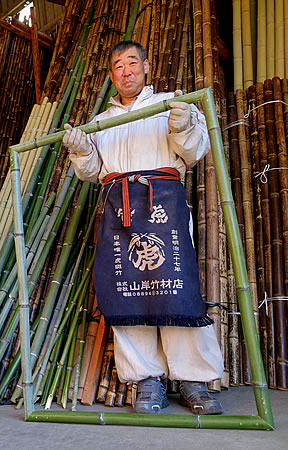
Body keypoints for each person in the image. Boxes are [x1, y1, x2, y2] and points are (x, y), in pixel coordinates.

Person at [63, 41, 224, 415]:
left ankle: (192, 380)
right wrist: (81, 150)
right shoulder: (100, 122)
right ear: (111, 75)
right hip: (118, 206)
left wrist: (183, 123)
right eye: (118, 66)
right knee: (126, 291)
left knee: (176, 286)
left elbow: (194, 151)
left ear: (147, 66)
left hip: (163, 202)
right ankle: (147, 378)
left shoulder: (172, 103)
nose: (126, 71)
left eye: (132, 62)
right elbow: (91, 173)